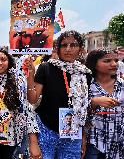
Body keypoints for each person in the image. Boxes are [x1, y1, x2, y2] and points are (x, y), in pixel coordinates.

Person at [26, 30, 92, 159]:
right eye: (64, 45)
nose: (68, 49)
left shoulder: (85, 73)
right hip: (46, 130)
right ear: (58, 48)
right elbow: (32, 100)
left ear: (80, 48)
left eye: (73, 45)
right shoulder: (46, 68)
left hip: (73, 133)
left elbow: (84, 109)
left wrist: (83, 137)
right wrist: (30, 76)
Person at [0, 48, 41, 159]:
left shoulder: (19, 80)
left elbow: (27, 109)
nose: (0, 63)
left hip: (12, 135)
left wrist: (33, 140)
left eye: (3, 59)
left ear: (9, 61)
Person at [84, 49, 124, 159]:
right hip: (93, 143)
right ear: (94, 64)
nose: (114, 64)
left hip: (119, 143)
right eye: (107, 61)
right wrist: (94, 102)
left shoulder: (122, 84)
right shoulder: (85, 85)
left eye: (116, 60)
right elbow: (75, 113)